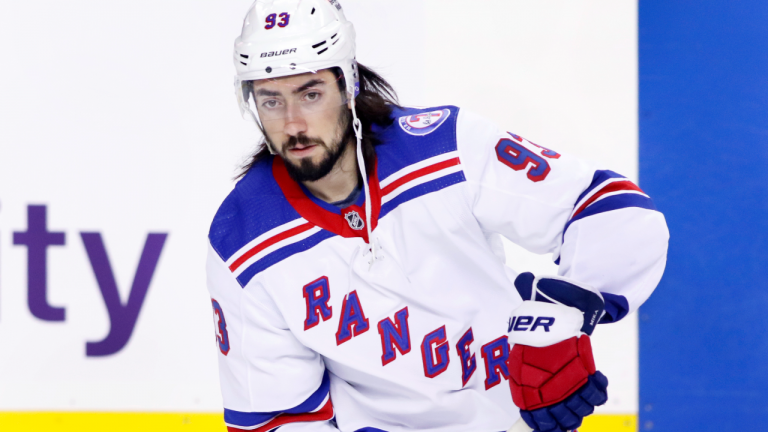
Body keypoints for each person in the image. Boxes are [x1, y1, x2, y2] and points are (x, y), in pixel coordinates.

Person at [206, 1, 669, 431]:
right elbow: (279, 419)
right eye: (271, 100)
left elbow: (615, 210)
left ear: (348, 85)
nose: (292, 123)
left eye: (310, 94)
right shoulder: (242, 242)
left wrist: (564, 312)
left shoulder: (444, 148)